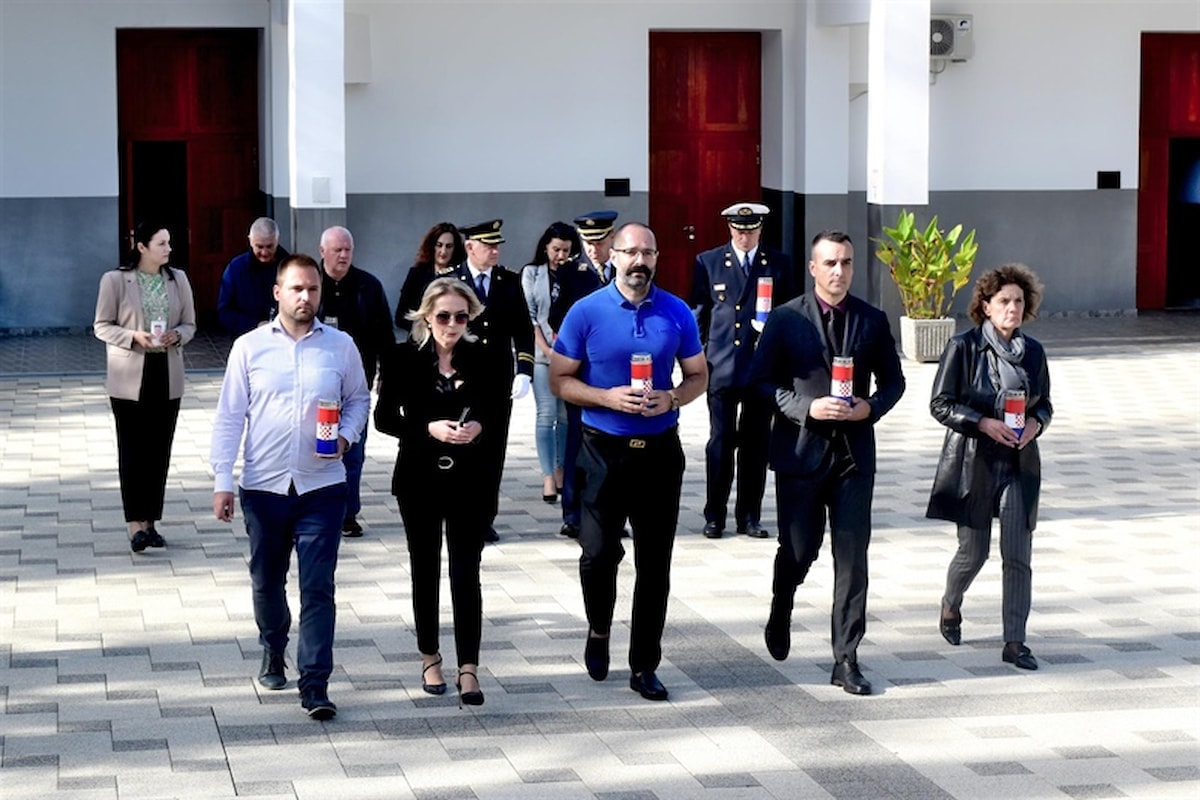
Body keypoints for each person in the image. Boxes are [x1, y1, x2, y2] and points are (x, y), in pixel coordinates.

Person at [550, 222, 708, 701]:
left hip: (659, 453)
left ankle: (644, 665)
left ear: (657, 258)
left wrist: (673, 397)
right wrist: (606, 397)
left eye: (648, 253)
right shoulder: (586, 311)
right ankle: (599, 628)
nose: (640, 261)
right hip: (602, 451)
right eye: (631, 252)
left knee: (655, 565)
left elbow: (698, 375)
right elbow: (559, 379)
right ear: (613, 256)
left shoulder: (676, 311)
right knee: (598, 555)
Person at [210, 253, 370, 721]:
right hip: (264, 487)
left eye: (313, 289)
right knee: (267, 580)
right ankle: (273, 644)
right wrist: (222, 479)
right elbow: (229, 416)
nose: (306, 297)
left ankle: (315, 683)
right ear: (278, 292)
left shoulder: (340, 346)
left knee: (318, 587)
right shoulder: (250, 347)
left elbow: (359, 399)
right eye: (297, 289)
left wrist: (346, 436)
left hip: (322, 487)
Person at [750, 230, 905, 696]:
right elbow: (759, 383)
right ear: (814, 268)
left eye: (847, 263)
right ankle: (782, 602)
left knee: (853, 559)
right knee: (800, 550)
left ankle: (846, 657)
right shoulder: (785, 319)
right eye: (831, 263)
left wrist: (869, 407)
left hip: (853, 457)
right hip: (801, 452)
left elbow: (894, 382)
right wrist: (806, 408)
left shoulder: (872, 320)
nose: (840, 271)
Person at [375, 278, 508, 706]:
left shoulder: (485, 357)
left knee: (466, 571)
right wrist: (426, 428)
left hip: (470, 478)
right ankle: (430, 656)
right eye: (444, 316)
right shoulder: (401, 358)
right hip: (419, 477)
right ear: (427, 317)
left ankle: (469, 666)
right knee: (425, 566)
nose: (452, 325)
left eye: (461, 317)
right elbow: (383, 419)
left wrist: (479, 426)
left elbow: (497, 412)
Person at [928, 263, 1052, 672]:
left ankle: (1015, 642)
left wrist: (1036, 424)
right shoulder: (963, 348)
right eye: (1003, 301)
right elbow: (940, 404)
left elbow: (1045, 405)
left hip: (1018, 462)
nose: (1012, 308)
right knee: (974, 552)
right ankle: (951, 602)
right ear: (986, 306)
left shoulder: (1033, 353)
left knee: (1017, 555)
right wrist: (982, 423)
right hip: (974, 462)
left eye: (1018, 301)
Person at [690, 202, 796, 539]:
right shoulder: (709, 262)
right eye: (738, 230)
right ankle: (715, 515)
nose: (744, 237)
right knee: (720, 444)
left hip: (761, 369)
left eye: (750, 231)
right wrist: (699, 357)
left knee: (755, 445)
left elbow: (789, 314)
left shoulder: (777, 264)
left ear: (760, 230)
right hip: (722, 367)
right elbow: (700, 313)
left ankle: (749, 515)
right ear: (729, 229)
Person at [94, 221, 196, 553]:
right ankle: (134, 523)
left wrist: (177, 335)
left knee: (158, 450)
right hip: (129, 375)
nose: (169, 249)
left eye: (169, 242)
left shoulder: (178, 279)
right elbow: (101, 326)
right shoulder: (115, 280)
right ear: (142, 247)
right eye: (161, 243)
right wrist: (132, 337)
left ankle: (151, 521)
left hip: (166, 372)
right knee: (132, 449)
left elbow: (190, 324)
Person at [452, 219, 535, 543]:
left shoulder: (508, 281)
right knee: (462, 447)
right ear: (470, 247)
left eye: (497, 245)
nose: (495, 251)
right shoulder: (451, 281)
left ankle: (484, 518)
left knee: (492, 450)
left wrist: (524, 370)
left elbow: (523, 329)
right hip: (461, 379)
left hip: (498, 381)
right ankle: (461, 513)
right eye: (488, 245)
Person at [316, 225, 395, 537]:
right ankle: (318, 510)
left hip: (356, 385)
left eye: (348, 249)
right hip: (318, 385)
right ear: (323, 251)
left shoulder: (368, 286)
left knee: (353, 451)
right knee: (317, 449)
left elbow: (385, 335)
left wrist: (387, 374)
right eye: (337, 250)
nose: (343, 255)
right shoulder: (312, 284)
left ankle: (348, 513)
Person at [554, 211, 617, 538]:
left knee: (614, 445)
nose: (593, 248)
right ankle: (573, 512)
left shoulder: (624, 270)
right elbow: (557, 318)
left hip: (616, 371)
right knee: (578, 441)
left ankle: (611, 512)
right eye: (588, 242)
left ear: (612, 239)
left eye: (600, 241)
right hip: (581, 371)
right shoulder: (570, 272)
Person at [521, 221, 581, 504]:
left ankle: (560, 468)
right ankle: (547, 474)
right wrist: (545, 348)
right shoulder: (532, 273)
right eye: (556, 249)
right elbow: (530, 316)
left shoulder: (576, 274)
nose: (560, 256)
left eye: (566, 250)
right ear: (545, 247)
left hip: (570, 357)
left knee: (565, 416)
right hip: (542, 355)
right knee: (546, 414)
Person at [217, 217, 291, 336]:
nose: (264, 252)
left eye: (269, 246)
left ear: (277, 240)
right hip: (246, 337)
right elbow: (224, 312)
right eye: (259, 247)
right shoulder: (236, 269)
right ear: (250, 241)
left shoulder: (291, 268)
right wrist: (255, 325)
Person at [395, 222, 468, 331]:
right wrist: (428, 329)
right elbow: (401, 316)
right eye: (439, 245)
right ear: (431, 246)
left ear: (455, 248)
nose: (443, 251)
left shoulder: (463, 275)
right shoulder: (417, 274)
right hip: (421, 336)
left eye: (449, 246)